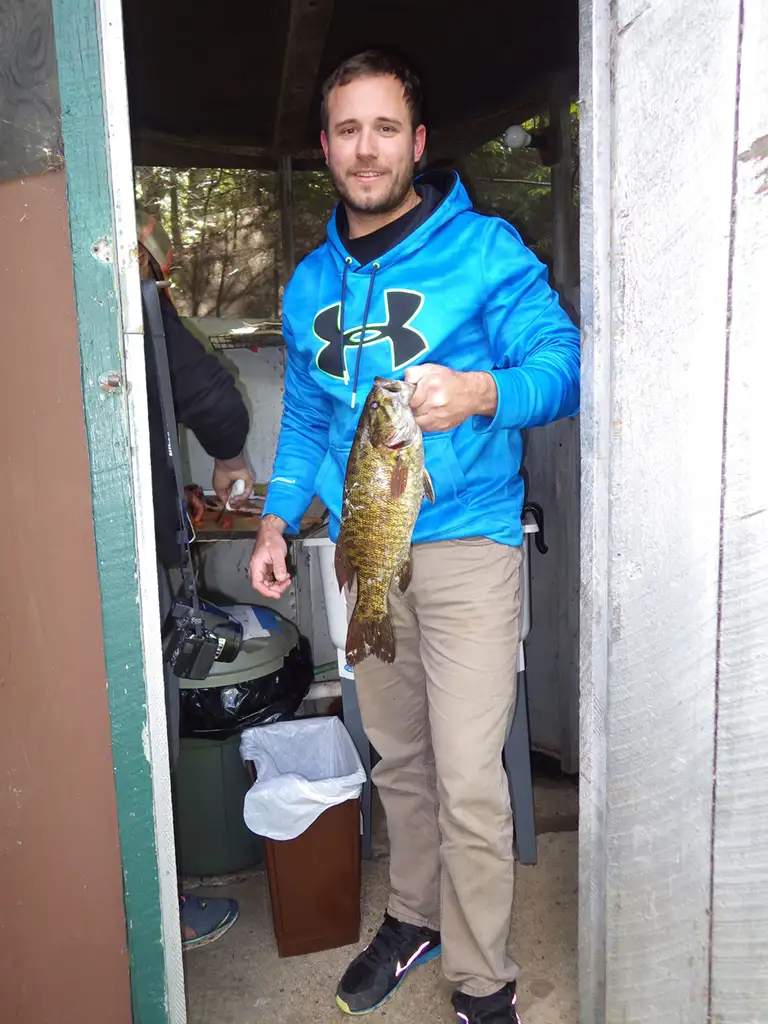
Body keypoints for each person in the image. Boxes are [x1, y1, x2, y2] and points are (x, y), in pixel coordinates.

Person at [248, 51, 580, 1024]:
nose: (366, 147)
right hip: (363, 548)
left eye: (385, 127)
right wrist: (275, 516)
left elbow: (564, 364)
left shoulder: (485, 249)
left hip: (468, 540)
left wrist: (484, 393)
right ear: (325, 147)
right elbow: (308, 423)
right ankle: (414, 914)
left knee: (473, 772)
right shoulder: (312, 282)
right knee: (396, 754)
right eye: (347, 129)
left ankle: (482, 978)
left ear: (418, 143)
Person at [137, 207, 253, 949]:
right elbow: (211, 397)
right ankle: (160, 910)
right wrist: (230, 455)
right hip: (126, 557)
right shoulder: (138, 301)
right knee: (148, 722)